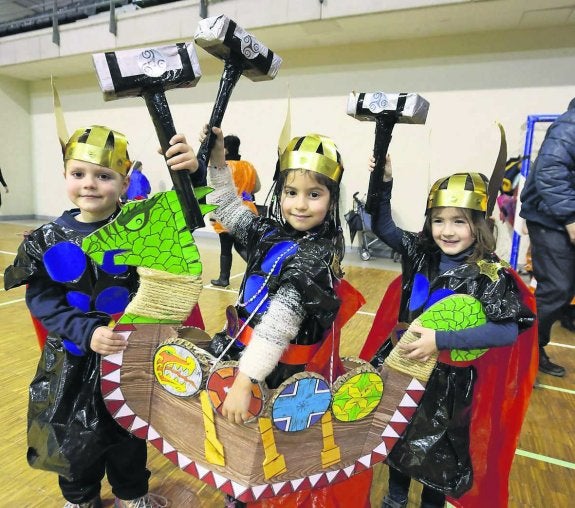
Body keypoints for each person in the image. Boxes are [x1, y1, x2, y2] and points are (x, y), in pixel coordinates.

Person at [4, 125, 197, 508]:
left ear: (125, 183)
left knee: (129, 432)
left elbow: (187, 215)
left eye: (104, 176)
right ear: (65, 177)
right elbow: (42, 300)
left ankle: (132, 493)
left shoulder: (140, 228)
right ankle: (80, 497)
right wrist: (85, 331)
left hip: (129, 356)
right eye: (78, 174)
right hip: (71, 362)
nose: (89, 184)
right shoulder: (47, 238)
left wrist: (191, 173)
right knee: (74, 437)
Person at [202, 126, 372, 507]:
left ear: (331, 198)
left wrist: (245, 381)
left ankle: (252, 494)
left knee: (265, 442)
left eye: (314, 194)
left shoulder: (313, 258)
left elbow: (278, 326)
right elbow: (228, 209)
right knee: (235, 436)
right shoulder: (269, 232)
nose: (299, 204)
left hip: (272, 371)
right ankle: (239, 492)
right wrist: (217, 163)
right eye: (291, 193)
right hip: (239, 354)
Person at [366, 156, 536, 508]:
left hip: (449, 388)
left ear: (478, 224)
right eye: (439, 220)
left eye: (458, 222)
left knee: (438, 459)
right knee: (398, 440)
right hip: (403, 370)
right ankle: (395, 500)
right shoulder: (420, 254)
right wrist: (383, 182)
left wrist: (440, 341)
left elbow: (505, 332)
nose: (446, 231)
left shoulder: (489, 273)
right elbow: (381, 225)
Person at [519, 97, 575, 377]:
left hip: (559, 215)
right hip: (552, 218)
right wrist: (571, 217)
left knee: (561, 289)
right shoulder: (571, 125)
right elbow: (551, 171)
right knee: (557, 289)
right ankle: (525, 351)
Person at [210, 134, 261, 287]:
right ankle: (259, 270)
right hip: (247, 210)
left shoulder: (222, 167)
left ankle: (223, 278)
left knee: (226, 248)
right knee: (242, 245)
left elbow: (214, 191)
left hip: (226, 213)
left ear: (224, 150)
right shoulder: (248, 166)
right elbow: (257, 188)